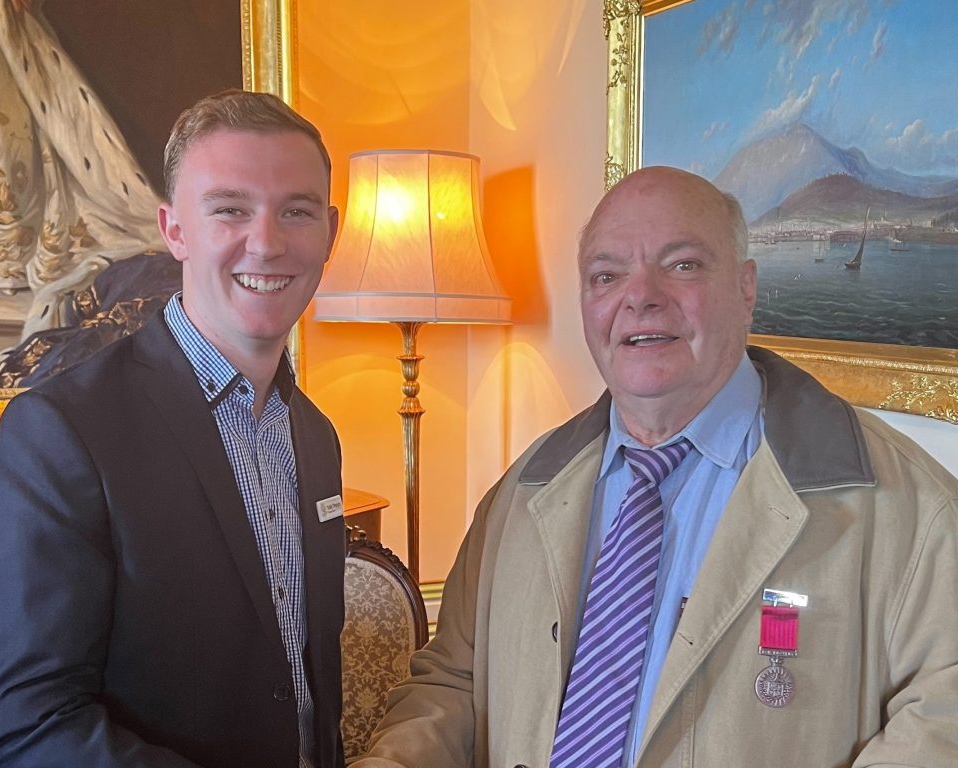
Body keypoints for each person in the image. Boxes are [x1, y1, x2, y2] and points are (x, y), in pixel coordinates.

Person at [355, 166, 958, 767]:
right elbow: (452, 686)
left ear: (747, 289)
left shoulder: (908, 507)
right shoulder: (520, 493)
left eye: (682, 265)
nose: (639, 296)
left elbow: (942, 721)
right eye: (606, 275)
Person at [0, 89, 345, 768]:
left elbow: (307, 692)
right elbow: (34, 722)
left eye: (295, 211)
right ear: (174, 229)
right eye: (230, 210)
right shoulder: (59, 432)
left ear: (331, 229)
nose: (265, 243)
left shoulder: (317, 438)